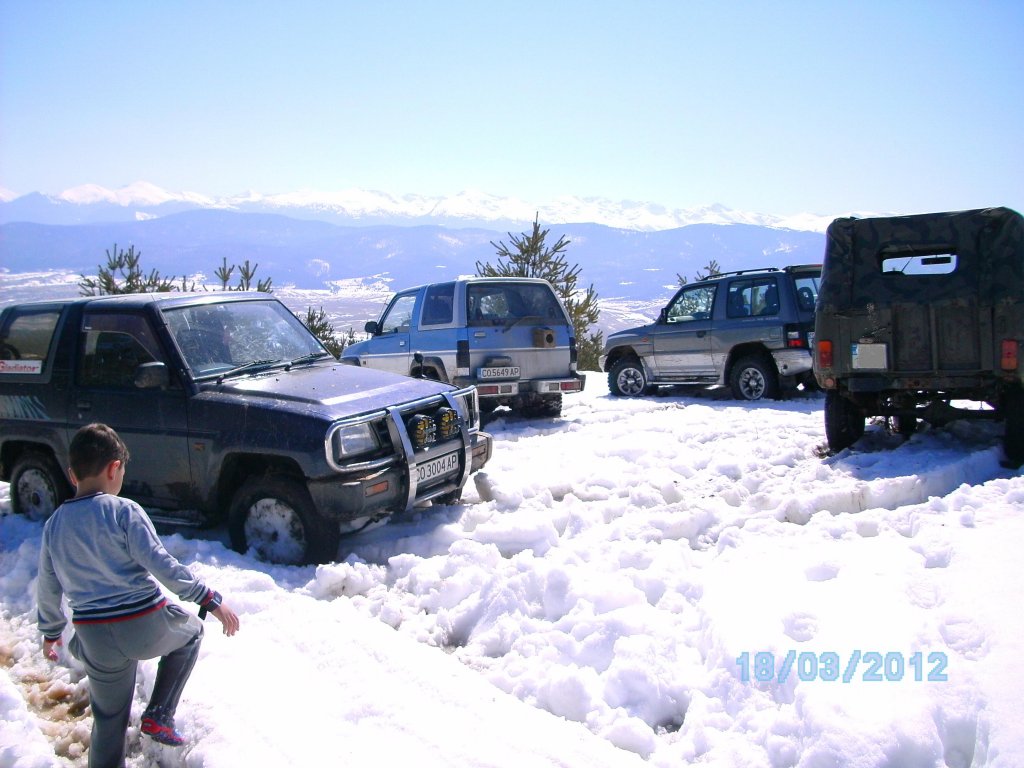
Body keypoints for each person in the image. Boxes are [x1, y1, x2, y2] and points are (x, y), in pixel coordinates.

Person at [37, 423, 240, 767]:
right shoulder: (123, 511)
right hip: (144, 624)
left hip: (95, 637)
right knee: (191, 633)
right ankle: (159, 714)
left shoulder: (54, 525)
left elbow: (48, 585)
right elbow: (161, 564)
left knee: (108, 721)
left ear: (72, 474)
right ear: (115, 468)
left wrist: (51, 631)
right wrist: (207, 598)